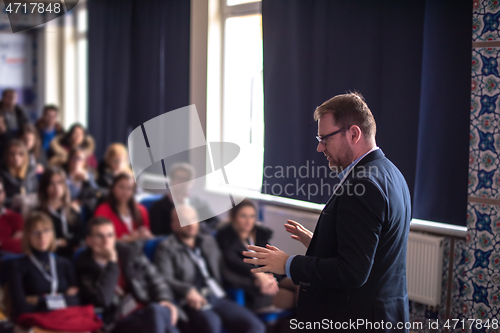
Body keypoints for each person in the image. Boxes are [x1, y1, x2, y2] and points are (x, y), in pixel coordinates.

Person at [242, 93, 411, 332]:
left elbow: (352, 273)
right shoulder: (390, 173)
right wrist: (318, 242)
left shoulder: (361, 186)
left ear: (353, 134)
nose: (320, 147)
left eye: (325, 138)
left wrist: (287, 264)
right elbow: (371, 251)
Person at [154, 204, 265, 333]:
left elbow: (225, 269)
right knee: (212, 324)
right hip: (191, 301)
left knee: (256, 327)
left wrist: (254, 278)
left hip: (216, 296)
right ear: (174, 225)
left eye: (194, 219)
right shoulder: (166, 248)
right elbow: (164, 278)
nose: (191, 224)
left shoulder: (208, 242)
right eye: (184, 221)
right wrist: (187, 290)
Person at [76, 216, 181, 333]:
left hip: (146, 310)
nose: (106, 241)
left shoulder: (130, 253)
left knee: (160, 311)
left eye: (110, 235)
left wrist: (164, 299)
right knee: (160, 318)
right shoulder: (83, 267)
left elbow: (155, 279)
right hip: (119, 321)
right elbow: (102, 300)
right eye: (100, 236)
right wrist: (112, 263)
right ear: (89, 241)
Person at [216, 199, 297, 311]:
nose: (248, 221)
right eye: (243, 216)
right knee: (296, 299)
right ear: (234, 217)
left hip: (273, 278)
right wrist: (257, 276)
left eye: (252, 216)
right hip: (254, 288)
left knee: (302, 285)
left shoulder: (259, 235)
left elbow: (270, 259)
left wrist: (270, 277)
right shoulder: (227, 240)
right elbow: (234, 265)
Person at [6, 211, 80, 318]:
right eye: (36, 232)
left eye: (46, 231)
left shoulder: (65, 263)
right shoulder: (16, 265)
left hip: (66, 319)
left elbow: (77, 301)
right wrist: (63, 298)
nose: (42, 236)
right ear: (27, 235)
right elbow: (21, 307)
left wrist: (39, 300)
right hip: (36, 321)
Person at [149, 162, 219, 236]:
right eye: (179, 178)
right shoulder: (159, 207)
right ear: (171, 180)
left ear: (192, 182)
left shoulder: (199, 203)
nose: (182, 182)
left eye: (186, 179)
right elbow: (157, 234)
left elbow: (215, 222)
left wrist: (200, 229)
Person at [37, 166, 85, 259]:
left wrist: (66, 242)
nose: (56, 187)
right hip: (49, 255)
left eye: (60, 183)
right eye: (51, 183)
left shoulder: (72, 209)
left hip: (72, 254)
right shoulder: (39, 212)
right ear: (44, 186)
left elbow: (82, 235)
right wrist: (57, 242)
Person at [94, 173, 152, 242]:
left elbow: (148, 236)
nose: (125, 192)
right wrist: (129, 239)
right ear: (113, 188)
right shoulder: (103, 210)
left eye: (129, 188)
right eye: (121, 187)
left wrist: (147, 236)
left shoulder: (141, 210)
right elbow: (100, 240)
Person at [0, 139, 38, 207]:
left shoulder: (31, 171)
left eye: (20, 154)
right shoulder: (2, 173)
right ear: (6, 155)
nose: (16, 157)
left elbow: (36, 192)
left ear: (26, 156)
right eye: (12, 154)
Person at [64, 147, 101, 215]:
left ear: (84, 162)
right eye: (74, 158)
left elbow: (97, 193)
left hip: (84, 208)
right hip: (67, 206)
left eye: (79, 159)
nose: (76, 162)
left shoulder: (89, 175)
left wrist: (87, 181)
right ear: (69, 159)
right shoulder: (63, 174)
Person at [0, 178, 24, 253]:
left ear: (4, 194)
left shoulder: (15, 217)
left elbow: (22, 245)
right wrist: (8, 242)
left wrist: (1, 243)